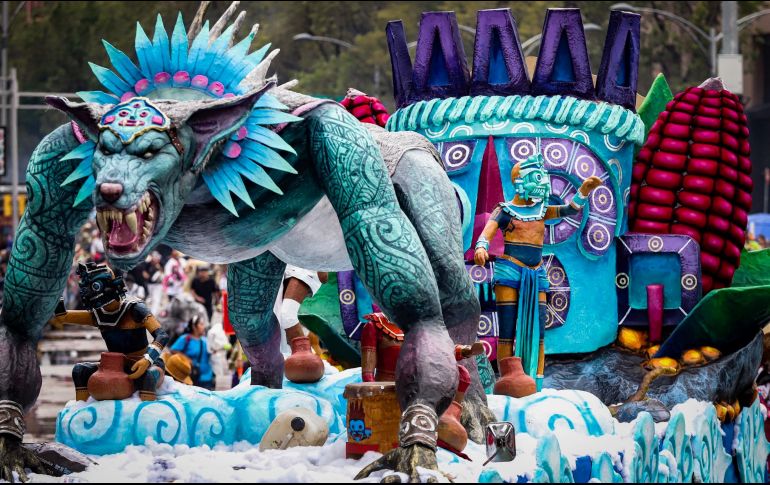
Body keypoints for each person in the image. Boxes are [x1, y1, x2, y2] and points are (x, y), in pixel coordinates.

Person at [169, 315, 215, 390]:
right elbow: (173, 350)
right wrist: (186, 359)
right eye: (201, 324)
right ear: (194, 326)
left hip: (207, 378)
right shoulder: (186, 338)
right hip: (191, 377)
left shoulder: (206, 340)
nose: (203, 327)